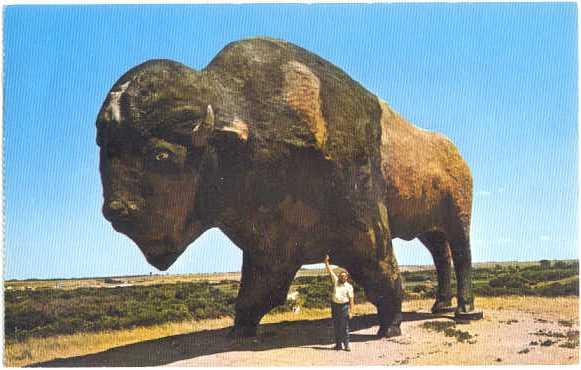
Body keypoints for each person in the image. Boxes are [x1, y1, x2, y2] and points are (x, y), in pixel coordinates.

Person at [324, 254, 354, 351]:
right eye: (341, 276)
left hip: (344, 307)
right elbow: (330, 271)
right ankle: (338, 345)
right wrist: (326, 262)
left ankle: (347, 345)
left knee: (344, 326)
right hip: (335, 306)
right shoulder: (336, 281)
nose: (342, 277)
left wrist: (351, 311)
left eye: (344, 276)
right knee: (336, 326)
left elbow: (351, 300)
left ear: (347, 277)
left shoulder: (349, 287)